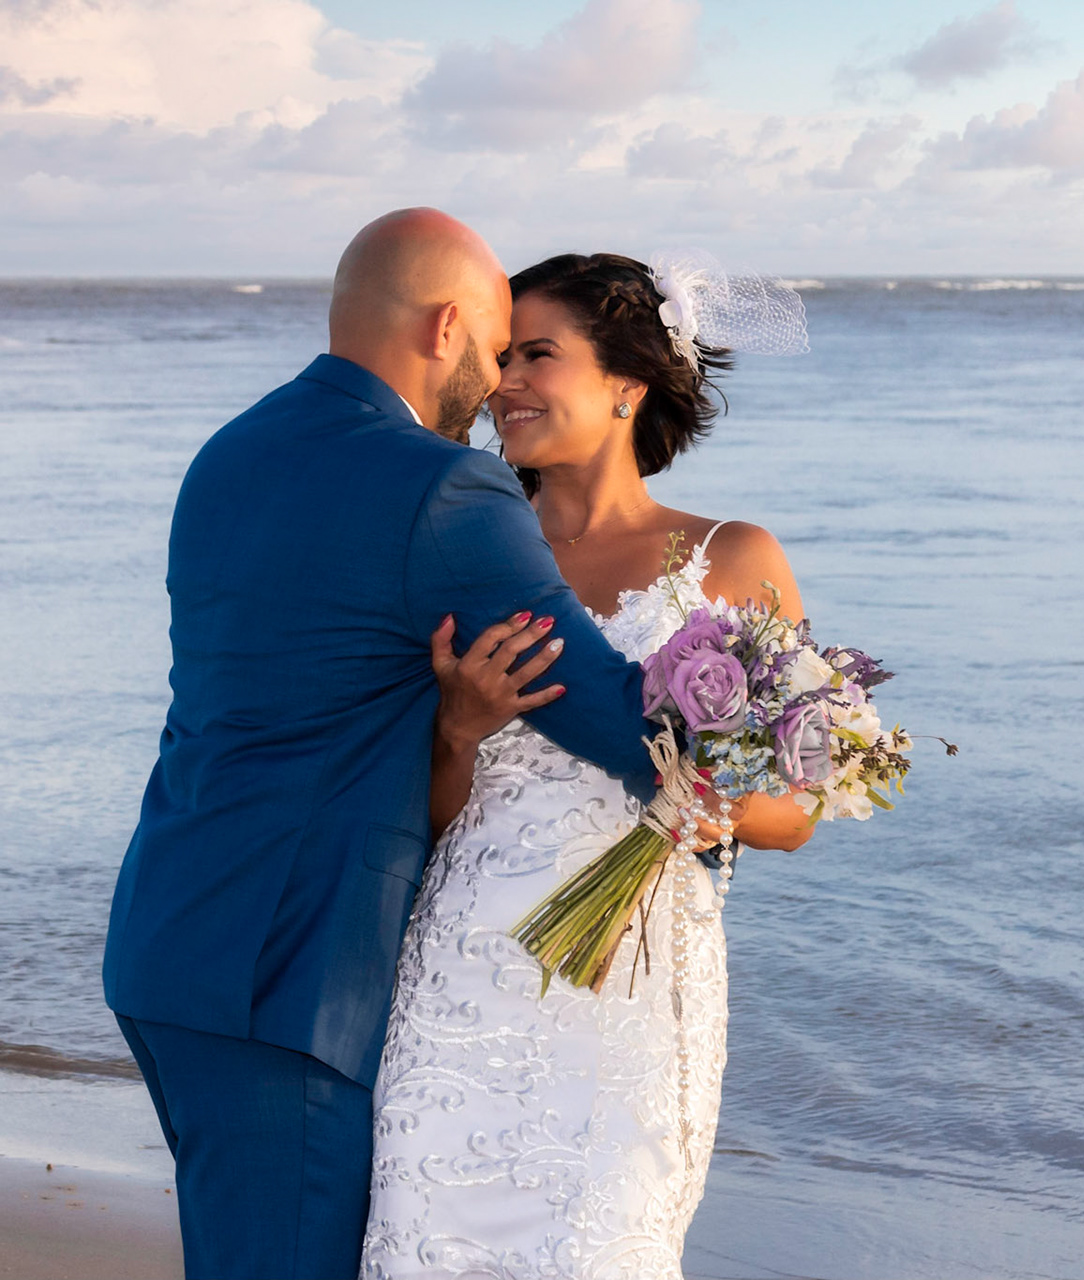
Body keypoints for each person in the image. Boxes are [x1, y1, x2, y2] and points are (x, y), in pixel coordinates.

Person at [101, 211, 684, 1280]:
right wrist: (777, 726)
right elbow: (610, 714)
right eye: (498, 345)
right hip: (285, 979)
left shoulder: (229, 453)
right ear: (446, 325)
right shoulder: (438, 484)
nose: (498, 377)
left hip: (170, 945)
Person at [359, 253, 813, 1280]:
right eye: (497, 354)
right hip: (460, 977)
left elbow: (797, 813)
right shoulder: (462, 551)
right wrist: (459, 728)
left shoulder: (732, 557)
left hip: (635, 996)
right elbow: (418, 818)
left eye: (537, 353)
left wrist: (720, 804)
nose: (505, 377)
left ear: (626, 383)